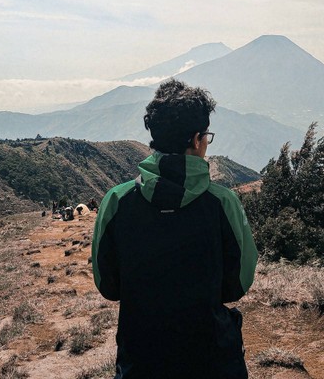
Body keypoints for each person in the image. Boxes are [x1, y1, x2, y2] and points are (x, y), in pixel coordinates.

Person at [92, 79, 258, 379]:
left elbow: (109, 286)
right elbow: (238, 284)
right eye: (206, 136)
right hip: (211, 358)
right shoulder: (223, 203)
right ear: (196, 139)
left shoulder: (116, 202)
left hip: (140, 358)